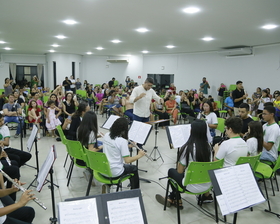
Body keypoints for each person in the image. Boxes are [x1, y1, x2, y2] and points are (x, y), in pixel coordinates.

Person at [155, 120, 213, 209]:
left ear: (192, 131)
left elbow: (179, 171)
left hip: (190, 186)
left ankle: (177, 200)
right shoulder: (208, 147)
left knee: (171, 171)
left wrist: (180, 162)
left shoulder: (188, 148)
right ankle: (171, 198)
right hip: (207, 185)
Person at [102, 118, 146, 189]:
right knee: (134, 168)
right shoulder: (122, 141)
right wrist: (139, 155)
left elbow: (115, 147)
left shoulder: (106, 135)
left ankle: (108, 185)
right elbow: (127, 160)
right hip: (115, 172)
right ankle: (135, 192)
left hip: (103, 169)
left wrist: (128, 146)